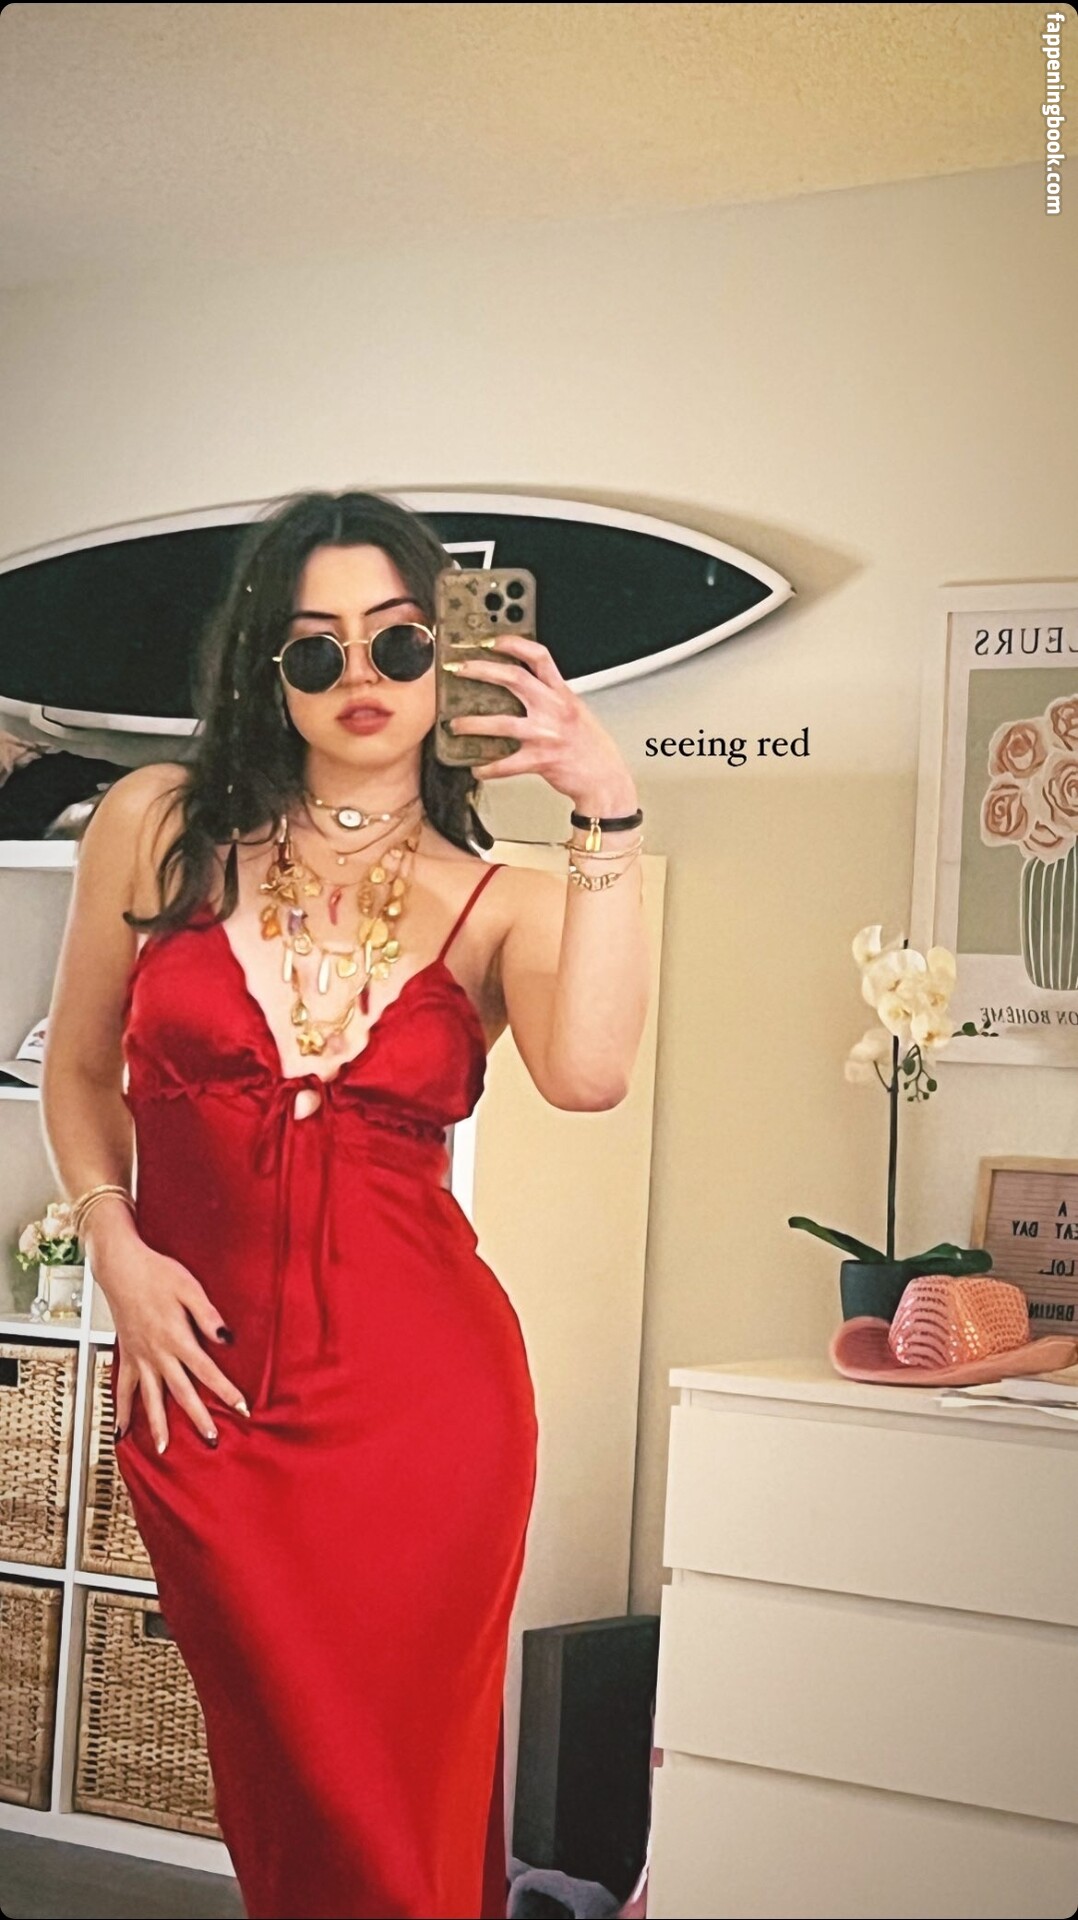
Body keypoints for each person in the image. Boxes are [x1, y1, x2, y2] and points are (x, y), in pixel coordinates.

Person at [40, 490, 650, 1920]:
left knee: (397, 1812)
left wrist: (604, 810)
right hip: (203, 1394)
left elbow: (589, 1075)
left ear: (447, 659)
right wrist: (114, 1242)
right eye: (316, 649)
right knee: (293, 1793)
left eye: (398, 641)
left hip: (426, 1413)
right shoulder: (155, 825)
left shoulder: (499, 898)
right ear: (268, 670)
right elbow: (75, 1070)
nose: (360, 676)